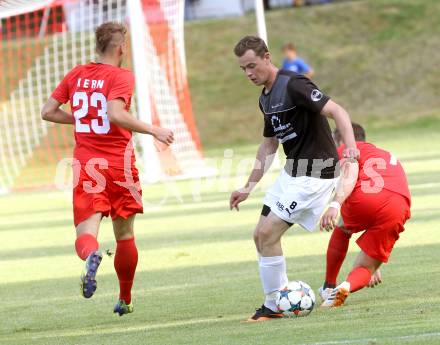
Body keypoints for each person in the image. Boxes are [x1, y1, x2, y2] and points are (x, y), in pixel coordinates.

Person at [41, 22, 174, 316]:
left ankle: (91, 255)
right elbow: (115, 113)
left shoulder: (76, 74)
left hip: (89, 165)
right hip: (120, 165)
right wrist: (154, 130)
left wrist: (82, 119)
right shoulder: (121, 76)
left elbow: (48, 111)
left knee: (85, 232)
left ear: (97, 46)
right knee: (125, 235)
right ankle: (125, 299)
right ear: (121, 47)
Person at [229, 35, 359, 322]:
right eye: (243, 69)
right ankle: (278, 300)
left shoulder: (294, 84)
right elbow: (269, 146)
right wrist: (248, 186)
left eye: (252, 65)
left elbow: (338, 112)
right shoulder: (265, 98)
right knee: (258, 235)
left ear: (267, 57)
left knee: (267, 234)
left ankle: (274, 306)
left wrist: (350, 151)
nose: (249, 73)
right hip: (293, 173)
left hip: (316, 173)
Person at [319, 123, 411, 307]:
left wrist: (335, 204)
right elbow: (384, 196)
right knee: (367, 267)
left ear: (340, 140)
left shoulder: (345, 149)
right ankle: (346, 286)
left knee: (343, 227)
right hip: (399, 204)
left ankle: (328, 286)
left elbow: (345, 175)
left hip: (366, 197)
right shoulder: (383, 153)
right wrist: (372, 257)